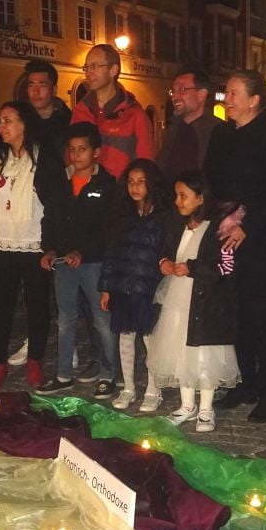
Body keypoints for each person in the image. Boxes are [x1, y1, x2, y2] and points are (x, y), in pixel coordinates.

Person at [205, 70, 266, 423]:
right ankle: (246, 381)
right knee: (235, 313)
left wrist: (248, 224)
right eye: (226, 92)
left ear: (255, 100)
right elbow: (212, 179)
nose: (227, 99)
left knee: (263, 316)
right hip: (225, 232)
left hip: (261, 239)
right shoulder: (222, 134)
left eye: (234, 93)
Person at [0, 101, 66, 392]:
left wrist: (50, 247)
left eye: (8, 121)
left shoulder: (44, 159)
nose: (2, 126)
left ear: (24, 124)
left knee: (37, 307)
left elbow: (55, 205)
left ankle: (34, 361)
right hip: (1, 244)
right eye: (0, 121)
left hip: (34, 244)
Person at [146, 170, 239, 432]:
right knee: (179, 350)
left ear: (200, 198)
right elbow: (165, 251)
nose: (178, 201)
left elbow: (227, 267)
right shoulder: (176, 225)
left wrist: (193, 268)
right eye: (177, 195)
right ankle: (187, 405)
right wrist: (164, 262)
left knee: (203, 354)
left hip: (206, 302)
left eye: (183, 196)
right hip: (178, 298)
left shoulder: (219, 229)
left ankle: (206, 407)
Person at [37, 122, 121, 398]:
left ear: (96, 152)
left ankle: (109, 374)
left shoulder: (106, 185)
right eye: (72, 150)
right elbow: (50, 219)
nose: (76, 155)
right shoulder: (60, 182)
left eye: (82, 149)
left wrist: (82, 252)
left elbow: (107, 229)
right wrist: (49, 249)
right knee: (65, 319)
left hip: (94, 263)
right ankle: (63, 375)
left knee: (101, 320)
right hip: (63, 262)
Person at [6, 59, 72, 368]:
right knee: (33, 284)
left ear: (53, 88)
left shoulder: (67, 121)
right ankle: (34, 340)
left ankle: (67, 341)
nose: (36, 91)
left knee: (61, 279)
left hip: (57, 204)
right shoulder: (23, 120)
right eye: (31, 85)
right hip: (26, 208)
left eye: (42, 85)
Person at [98, 158, 170, 411]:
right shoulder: (122, 215)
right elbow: (111, 252)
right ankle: (128, 387)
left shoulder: (163, 216)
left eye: (141, 182)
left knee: (151, 340)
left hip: (149, 288)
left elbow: (167, 252)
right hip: (123, 286)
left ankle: (153, 389)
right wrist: (106, 287)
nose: (135, 187)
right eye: (130, 182)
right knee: (125, 337)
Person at [71, 44, 156, 177]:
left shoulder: (134, 115)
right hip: (86, 187)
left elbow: (146, 165)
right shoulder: (81, 111)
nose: (88, 72)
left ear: (113, 70)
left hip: (120, 188)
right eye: (86, 67)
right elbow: (71, 159)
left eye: (94, 66)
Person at [158, 68, 221, 179]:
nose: (174, 97)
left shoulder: (217, 132)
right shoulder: (173, 129)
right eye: (173, 91)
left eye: (182, 89)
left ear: (201, 95)